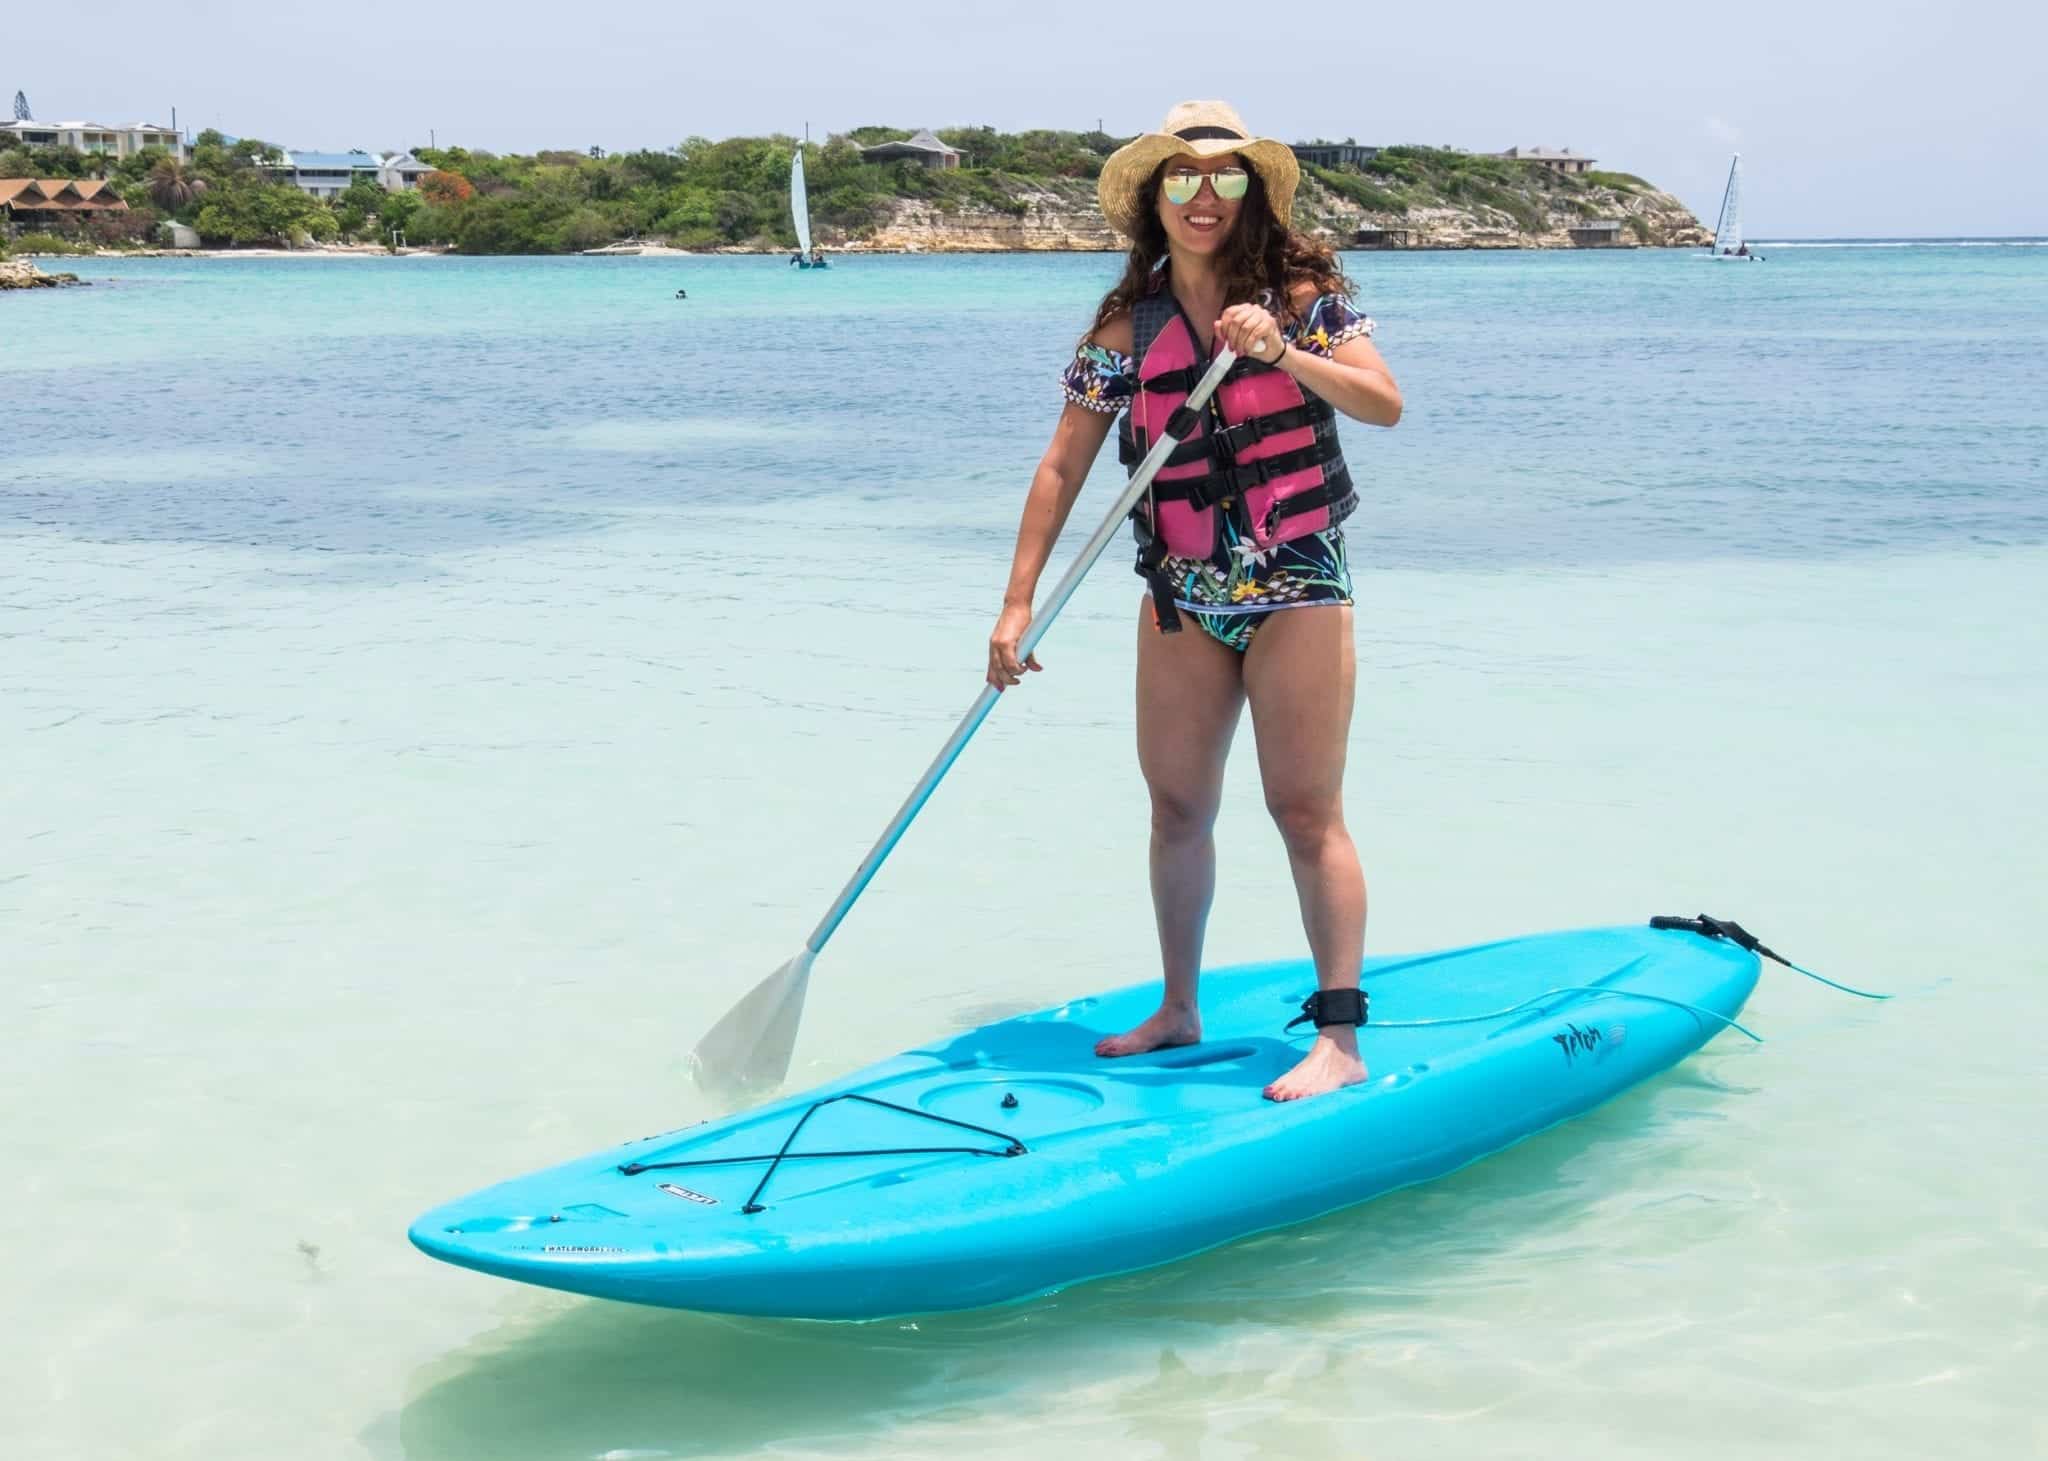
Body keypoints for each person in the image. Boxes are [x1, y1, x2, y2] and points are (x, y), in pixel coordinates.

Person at [986, 101, 1402, 1101]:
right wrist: (1014, 605)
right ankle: (1177, 1008)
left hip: (1294, 584)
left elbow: (1382, 403)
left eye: (1223, 179)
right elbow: (1060, 468)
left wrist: (1279, 353)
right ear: (1153, 199)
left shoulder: (1303, 300)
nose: (1202, 197)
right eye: (1182, 179)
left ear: (1250, 194)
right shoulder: (1123, 328)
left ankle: (1338, 1041)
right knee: (1176, 808)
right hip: (1179, 596)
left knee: (1303, 812)